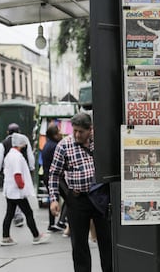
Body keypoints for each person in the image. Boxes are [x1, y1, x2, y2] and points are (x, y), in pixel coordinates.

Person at [49, 113, 112, 272]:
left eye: (81, 131)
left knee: (107, 241)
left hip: (100, 197)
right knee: (79, 245)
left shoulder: (100, 142)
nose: (77, 134)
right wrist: (54, 199)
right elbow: (54, 174)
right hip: (77, 199)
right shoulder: (64, 146)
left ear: (90, 130)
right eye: (75, 130)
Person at [0, 133, 50, 246]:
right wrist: (22, 186)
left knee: (9, 213)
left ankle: (5, 237)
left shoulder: (9, 155)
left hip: (10, 190)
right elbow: (17, 174)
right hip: (17, 191)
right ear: (21, 144)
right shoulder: (17, 157)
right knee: (28, 212)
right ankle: (36, 236)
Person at [0, 123, 35, 227]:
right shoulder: (23, 142)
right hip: (20, 173)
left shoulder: (4, 143)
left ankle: (7, 234)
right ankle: (19, 218)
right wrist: (32, 167)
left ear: (8, 132)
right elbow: (30, 155)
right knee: (19, 198)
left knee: (12, 201)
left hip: (9, 175)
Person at [41, 124, 68, 232]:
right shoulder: (55, 146)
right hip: (56, 178)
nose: (60, 134)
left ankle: (52, 223)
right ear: (54, 135)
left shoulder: (47, 145)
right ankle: (61, 222)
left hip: (47, 176)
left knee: (54, 199)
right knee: (69, 197)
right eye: (58, 132)